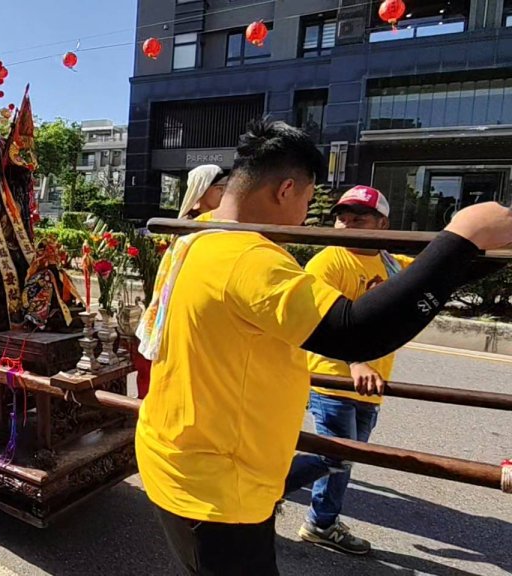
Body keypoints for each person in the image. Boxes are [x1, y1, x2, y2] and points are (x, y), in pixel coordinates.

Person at [134, 119, 512, 575]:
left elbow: (404, 286)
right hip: (215, 489)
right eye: (309, 202)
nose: (305, 217)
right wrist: (461, 235)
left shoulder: (201, 233)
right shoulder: (246, 257)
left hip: (184, 458)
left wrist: (464, 256)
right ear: (286, 189)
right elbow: (353, 332)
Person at [282, 185, 413, 554]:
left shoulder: (391, 263)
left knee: (345, 458)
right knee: (336, 455)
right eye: (341, 217)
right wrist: (355, 361)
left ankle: (321, 520)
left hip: (370, 383)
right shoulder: (329, 262)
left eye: (358, 218)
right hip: (333, 377)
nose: (345, 225)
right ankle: (276, 492)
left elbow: (428, 278)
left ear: (382, 223)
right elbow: (321, 323)